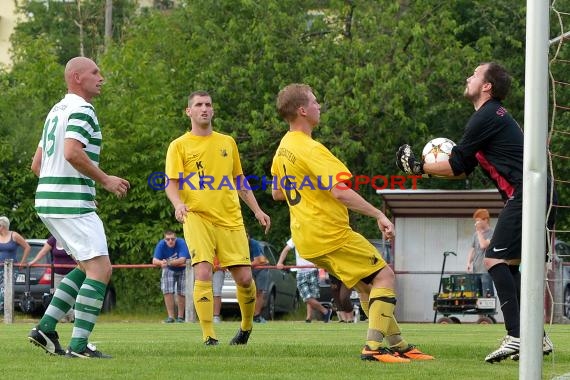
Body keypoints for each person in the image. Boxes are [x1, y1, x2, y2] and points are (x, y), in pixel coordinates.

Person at [396, 62, 556, 363]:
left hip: (528, 195)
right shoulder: (491, 117)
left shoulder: (484, 116)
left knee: (494, 258)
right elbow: (464, 168)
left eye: (475, 74)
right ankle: (536, 336)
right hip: (537, 194)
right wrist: (426, 170)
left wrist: (419, 168)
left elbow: (455, 164)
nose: (468, 76)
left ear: (487, 87)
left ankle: (518, 336)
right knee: (515, 265)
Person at [271, 83, 433, 363]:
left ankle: (398, 344)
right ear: (302, 110)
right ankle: (372, 348)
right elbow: (340, 192)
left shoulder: (284, 147)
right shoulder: (311, 149)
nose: (319, 106)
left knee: (367, 287)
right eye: (315, 101)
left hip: (305, 238)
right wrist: (379, 214)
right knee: (385, 276)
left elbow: (276, 192)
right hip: (329, 233)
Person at [28, 56, 130, 359]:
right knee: (100, 269)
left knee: (86, 266)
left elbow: (37, 165)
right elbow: (72, 153)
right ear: (76, 78)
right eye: (95, 72)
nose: (101, 77)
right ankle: (79, 346)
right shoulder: (83, 109)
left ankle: (46, 328)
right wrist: (105, 180)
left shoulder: (56, 111)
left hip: (48, 199)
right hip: (69, 203)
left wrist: (74, 187)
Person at [165, 90, 271, 346]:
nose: (204, 108)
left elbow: (239, 180)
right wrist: (178, 204)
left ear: (213, 111)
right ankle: (209, 336)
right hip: (197, 216)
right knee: (203, 271)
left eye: (208, 104)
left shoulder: (227, 142)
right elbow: (171, 182)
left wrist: (256, 210)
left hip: (230, 218)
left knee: (244, 278)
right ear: (188, 112)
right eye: (198, 105)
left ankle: (245, 329)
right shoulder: (179, 145)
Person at [276, 238, 332, 323]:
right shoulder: (296, 236)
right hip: (301, 272)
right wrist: (280, 262)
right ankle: (325, 311)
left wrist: (320, 263)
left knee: (311, 296)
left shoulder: (313, 236)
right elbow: (286, 249)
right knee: (306, 297)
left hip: (313, 270)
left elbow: (322, 250)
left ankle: (309, 318)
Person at [28, 235, 77, 322]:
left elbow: (76, 256)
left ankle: (69, 316)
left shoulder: (70, 239)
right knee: (58, 296)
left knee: (68, 296)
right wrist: (33, 261)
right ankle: (69, 316)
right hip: (57, 273)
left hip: (71, 273)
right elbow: (43, 252)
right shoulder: (53, 239)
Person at [152, 230, 191, 323]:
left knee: (182, 292)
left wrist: (168, 262)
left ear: (176, 238)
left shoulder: (181, 242)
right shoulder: (161, 244)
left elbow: (182, 260)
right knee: (167, 291)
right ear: (164, 240)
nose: (170, 241)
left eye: (172, 239)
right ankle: (171, 317)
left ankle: (181, 317)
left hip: (182, 268)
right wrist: (161, 262)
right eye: (168, 239)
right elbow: (154, 260)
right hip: (169, 269)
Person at [466, 209, 494, 296]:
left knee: (487, 296)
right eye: (476, 221)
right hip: (476, 270)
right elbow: (473, 249)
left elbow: (483, 245)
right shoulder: (475, 234)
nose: (476, 223)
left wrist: (478, 232)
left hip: (486, 271)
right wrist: (468, 263)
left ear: (485, 220)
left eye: (478, 221)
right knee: (476, 296)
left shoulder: (492, 233)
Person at [248, 234, 269, 323]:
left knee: (259, 292)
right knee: (250, 292)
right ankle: (250, 316)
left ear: (248, 236)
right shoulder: (238, 243)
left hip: (261, 268)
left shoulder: (254, 243)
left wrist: (243, 265)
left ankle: (257, 316)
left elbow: (258, 261)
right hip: (251, 267)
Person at [212, 256, 225, 323]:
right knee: (205, 292)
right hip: (205, 268)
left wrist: (220, 266)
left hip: (219, 269)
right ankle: (205, 315)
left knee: (217, 292)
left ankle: (216, 316)